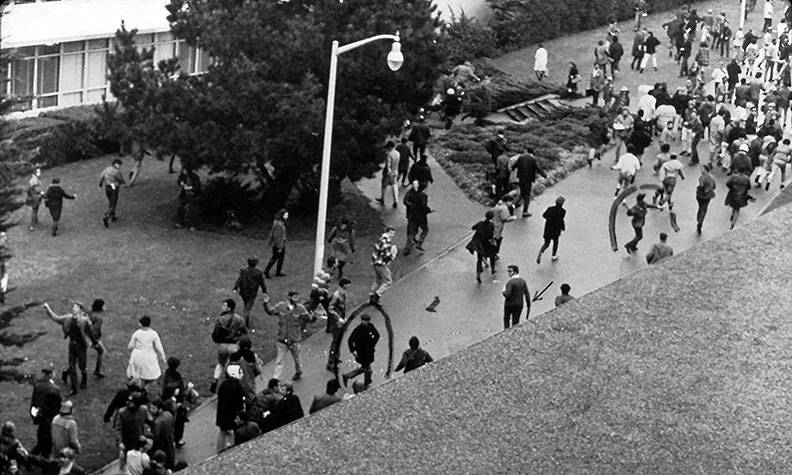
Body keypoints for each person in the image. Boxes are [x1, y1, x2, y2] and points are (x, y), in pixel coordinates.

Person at [42, 302, 92, 396]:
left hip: (81, 346)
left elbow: (90, 332)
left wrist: (95, 343)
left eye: (76, 307)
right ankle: (74, 388)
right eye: (73, 307)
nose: (73, 308)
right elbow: (56, 318)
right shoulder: (67, 318)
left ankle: (84, 381)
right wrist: (47, 309)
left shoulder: (84, 320)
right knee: (72, 366)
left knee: (82, 365)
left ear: (80, 310)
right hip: (72, 345)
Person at [263, 291, 312, 381]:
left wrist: (305, 317)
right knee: (279, 360)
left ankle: (298, 371)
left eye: (297, 297)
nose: (296, 299)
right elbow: (271, 312)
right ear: (289, 297)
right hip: (282, 337)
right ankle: (275, 379)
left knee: (296, 358)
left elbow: (309, 318)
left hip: (294, 339)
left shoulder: (300, 308)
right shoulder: (281, 306)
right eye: (294, 297)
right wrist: (266, 302)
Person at [209, 299, 247, 394]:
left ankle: (215, 379)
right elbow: (244, 333)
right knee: (232, 366)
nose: (223, 307)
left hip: (222, 346)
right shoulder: (240, 319)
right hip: (234, 346)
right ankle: (229, 383)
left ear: (229, 308)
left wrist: (218, 341)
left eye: (224, 306)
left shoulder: (220, 319)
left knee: (220, 364)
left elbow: (215, 334)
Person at [160, 357, 193, 448]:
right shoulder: (178, 377)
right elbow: (182, 392)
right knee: (179, 422)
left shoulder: (165, 376)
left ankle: (169, 440)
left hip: (167, 403)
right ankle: (178, 439)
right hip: (177, 403)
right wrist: (188, 390)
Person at [342, 313, 380, 389]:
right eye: (362, 320)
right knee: (367, 369)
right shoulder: (357, 330)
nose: (364, 322)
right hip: (361, 352)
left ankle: (348, 376)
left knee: (365, 368)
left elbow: (377, 335)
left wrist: (372, 343)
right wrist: (353, 350)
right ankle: (366, 383)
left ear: (369, 321)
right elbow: (350, 340)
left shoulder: (371, 326)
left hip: (369, 351)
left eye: (366, 320)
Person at [30, 366, 61, 457]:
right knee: (47, 442)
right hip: (48, 417)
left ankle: (31, 456)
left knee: (42, 437)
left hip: (39, 415)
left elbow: (34, 401)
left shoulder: (37, 385)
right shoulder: (54, 389)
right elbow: (57, 405)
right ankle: (43, 462)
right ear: (50, 375)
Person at [126, 316, 167, 386]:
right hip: (149, 355)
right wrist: (163, 357)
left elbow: (130, 346)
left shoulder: (137, 333)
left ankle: (137, 385)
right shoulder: (153, 334)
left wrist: (132, 351)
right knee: (148, 372)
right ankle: (145, 386)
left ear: (140, 324)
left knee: (136, 373)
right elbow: (159, 347)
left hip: (137, 355)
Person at [232, 256, 268, 330]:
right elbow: (262, 283)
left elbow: (239, 280)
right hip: (252, 293)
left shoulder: (244, 271)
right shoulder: (259, 273)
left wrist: (235, 288)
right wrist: (265, 292)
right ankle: (243, 324)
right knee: (247, 309)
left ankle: (247, 322)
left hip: (244, 292)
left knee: (246, 305)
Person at [216, 364, 245, 453]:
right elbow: (239, 402)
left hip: (222, 412)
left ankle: (220, 450)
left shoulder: (224, 384)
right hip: (231, 413)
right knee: (232, 432)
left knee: (222, 431)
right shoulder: (237, 386)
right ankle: (232, 450)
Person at [511, 148, 547, 217]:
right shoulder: (532, 159)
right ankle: (525, 212)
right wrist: (545, 176)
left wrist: (513, 169)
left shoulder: (521, 158)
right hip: (528, 180)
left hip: (521, 179)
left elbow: (514, 166)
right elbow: (538, 169)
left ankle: (511, 206)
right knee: (527, 196)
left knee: (522, 194)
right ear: (532, 154)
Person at [326, 277, 350, 372]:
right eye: (348, 284)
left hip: (341, 320)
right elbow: (330, 309)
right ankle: (330, 362)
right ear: (344, 285)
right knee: (335, 341)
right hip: (337, 323)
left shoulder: (343, 293)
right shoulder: (336, 295)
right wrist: (338, 318)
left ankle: (336, 357)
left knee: (339, 341)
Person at [369, 226, 398, 305]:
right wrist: (393, 254)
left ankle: (371, 295)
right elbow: (387, 255)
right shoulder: (386, 242)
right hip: (381, 263)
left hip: (375, 262)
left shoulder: (381, 239)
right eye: (391, 233)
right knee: (388, 281)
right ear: (387, 232)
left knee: (378, 280)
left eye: (393, 234)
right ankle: (377, 296)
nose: (392, 235)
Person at [228, 336, 262, 401]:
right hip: (249, 384)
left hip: (236, 384)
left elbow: (227, 369)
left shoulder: (233, 356)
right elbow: (258, 370)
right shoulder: (252, 355)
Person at [465, 211, 496, 284]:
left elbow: (473, 227)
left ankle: (478, 274)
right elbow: (490, 235)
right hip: (485, 244)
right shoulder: (491, 225)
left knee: (479, 259)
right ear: (492, 217)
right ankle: (493, 269)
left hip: (478, 243)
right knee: (492, 254)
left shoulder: (480, 223)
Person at [402, 181, 431, 256]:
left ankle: (407, 248)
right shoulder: (424, 196)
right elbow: (423, 206)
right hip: (421, 217)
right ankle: (420, 243)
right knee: (425, 229)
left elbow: (406, 201)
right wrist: (429, 210)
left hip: (412, 216)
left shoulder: (412, 194)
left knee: (411, 232)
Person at [536, 196, 566, 264]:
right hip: (556, 231)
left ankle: (541, 251)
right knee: (555, 243)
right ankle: (554, 256)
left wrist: (549, 219)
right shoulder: (562, 211)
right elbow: (561, 220)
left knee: (546, 243)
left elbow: (544, 215)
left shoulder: (550, 209)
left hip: (548, 229)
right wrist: (563, 227)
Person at [98, 158, 126, 227]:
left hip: (107, 188)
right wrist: (123, 182)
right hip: (114, 188)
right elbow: (120, 179)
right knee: (113, 204)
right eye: (119, 164)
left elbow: (102, 177)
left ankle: (113, 216)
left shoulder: (106, 169)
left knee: (111, 202)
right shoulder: (116, 171)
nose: (119, 166)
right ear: (115, 164)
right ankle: (107, 216)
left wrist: (100, 185)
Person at [149, 399, 175, 470]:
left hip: (162, 444)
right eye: (150, 408)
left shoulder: (157, 422)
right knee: (171, 456)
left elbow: (155, 437)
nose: (151, 410)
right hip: (169, 439)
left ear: (160, 409)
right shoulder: (168, 414)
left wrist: (148, 433)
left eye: (153, 408)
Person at [502, 265, 530, 329]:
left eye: (510, 271)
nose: (508, 273)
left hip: (509, 304)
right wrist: (528, 305)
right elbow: (527, 294)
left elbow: (507, 294)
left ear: (515, 272)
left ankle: (506, 333)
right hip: (519, 304)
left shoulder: (510, 282)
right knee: (516, 321)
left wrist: (503, 291)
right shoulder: (523, 281)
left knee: (507, 319)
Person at [264, 209, 288, 278]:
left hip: (281, 244)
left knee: (281, 258)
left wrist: (284, 238)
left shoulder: (279, 223)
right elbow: (277, 237)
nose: (287, 217)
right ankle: (266, 270)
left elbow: (279, 234)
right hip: (278, 245)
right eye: (285, 215)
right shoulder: (278, 225)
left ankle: (278, 272)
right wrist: (279, 247)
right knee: (275, 258)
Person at [377, 141, 400, 208]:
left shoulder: (389, 154)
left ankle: (382, 198)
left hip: (388, 174)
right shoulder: (398, 153)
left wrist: (389, 173)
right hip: (395, 172)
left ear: (390, 147)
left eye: (388, 147)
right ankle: (396, 200)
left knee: (384, 186)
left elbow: (388, 165)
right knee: (394, 187)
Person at [695, 163, 717, 235]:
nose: (701, 170)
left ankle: (699, 220)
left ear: (706, 169)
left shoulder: (703, 177)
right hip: (708, 195)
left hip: (701, 195)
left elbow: (701, 185)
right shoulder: (711, 177)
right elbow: (714, 186)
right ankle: (700, 221)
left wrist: (699, 188)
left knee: (701, 207)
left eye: (702, 168)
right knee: (704, 209)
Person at [88, 298, 106, 378]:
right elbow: (94, 330)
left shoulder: (89, 312)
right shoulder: (99, 318)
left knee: (78, 356)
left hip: (84, 336)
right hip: (91, 338)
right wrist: (94, 341)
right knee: (101, 351)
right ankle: (97, 371)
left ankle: (97, 370)